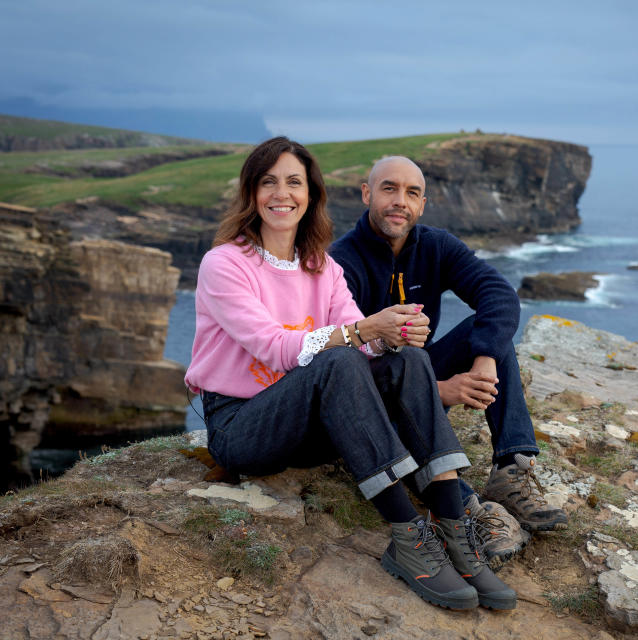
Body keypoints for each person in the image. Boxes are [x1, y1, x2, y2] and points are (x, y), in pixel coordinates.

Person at [184, 137, 514, 611]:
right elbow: (276, 349)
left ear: (311, 195)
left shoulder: (324, 267)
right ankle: (407, 537)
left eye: (294, 182)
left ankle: (454, 528)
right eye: (268, 182)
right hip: (243, 427)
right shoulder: (225, 264)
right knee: (338, 357)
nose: (282, 194)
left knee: (408, 357)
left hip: (310, 423)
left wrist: (397, 329)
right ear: (251, 193)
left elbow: (367, 341)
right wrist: (363, 329)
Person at [330, 156, 570, 556]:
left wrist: (486, 358)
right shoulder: (341, 262)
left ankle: (511, 469)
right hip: (370, 403)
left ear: (422, 204)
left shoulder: (436, 246)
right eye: (389, 189)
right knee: (411, 373)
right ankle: (466, 509)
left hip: (420, 376)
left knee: (490, 331)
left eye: (412, 193)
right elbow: (345, 369)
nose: (399, 202)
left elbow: (499, 293)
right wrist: (441, 391)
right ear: (367, 194)